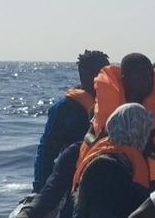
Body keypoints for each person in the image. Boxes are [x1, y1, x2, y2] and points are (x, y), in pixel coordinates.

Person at [33, 49, 109, 191]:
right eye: (102, 73)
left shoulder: (115, 105)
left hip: (105, 176)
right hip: (74, 179)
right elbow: (46, 150)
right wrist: (40, 188)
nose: (108, 78)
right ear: (86, 75)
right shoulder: (65, 109)